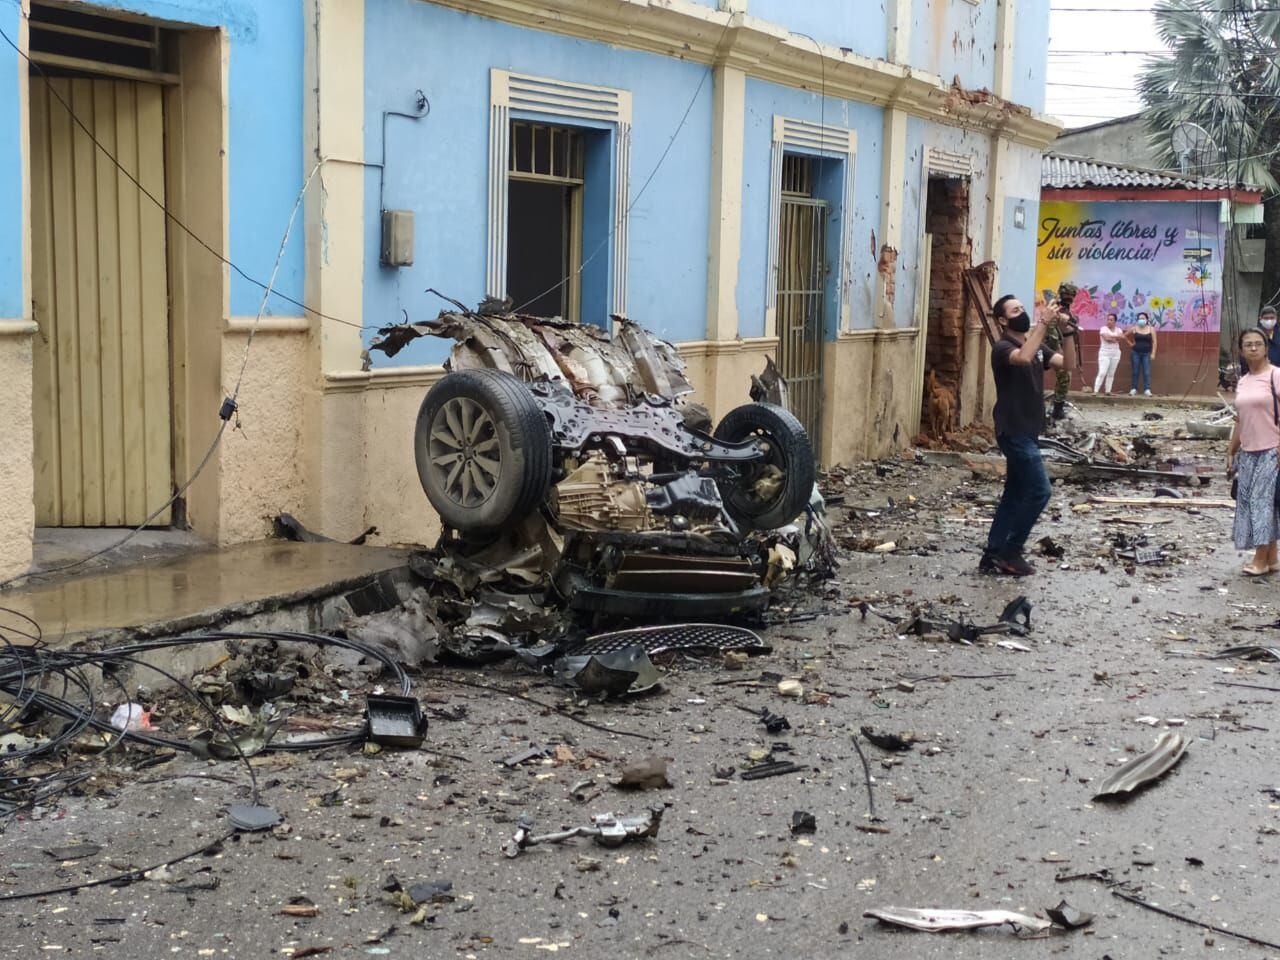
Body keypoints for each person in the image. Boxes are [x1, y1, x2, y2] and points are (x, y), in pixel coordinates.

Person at [980, 294, 1077, 576]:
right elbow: (1022, 358)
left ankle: (993, 554)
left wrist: (1068, 330)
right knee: (1040, 491)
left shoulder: (1037, 346)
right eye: (1015, 310)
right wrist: (1043, 324)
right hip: (1013, 430)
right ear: (1002, 320)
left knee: (1015, 493)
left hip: (1029, 431)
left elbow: (1067, 365)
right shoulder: (1002, 347)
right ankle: (1012, 550)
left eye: (1023, 308)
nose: (1021, 313)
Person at [1227, 327, 1280, 576]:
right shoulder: (1243, 381)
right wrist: (1231, 451)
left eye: (1258, 344)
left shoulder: (1275, 376)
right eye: (1248, 344)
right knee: (1252, 503)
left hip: (1272, 450)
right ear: (1241, 350)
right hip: (1248, 452)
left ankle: (1259, 560)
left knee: (1261, 503)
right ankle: (1271, 557)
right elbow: (1240, 419)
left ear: (1266, 348)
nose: (1253, 348)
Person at [1126, 312, 1156, 396]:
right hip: (1135, 353)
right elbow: (1124, 335)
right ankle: (1133, 389)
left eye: (1143, 318)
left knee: (1146, 372)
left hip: (1147, 353)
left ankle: (1147, 389)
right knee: (1135, 371)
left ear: (1146, 320)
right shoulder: (1134, 328)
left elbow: (1154, 342)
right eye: (1139, 319)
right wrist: (1130, 343)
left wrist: (1153, 353)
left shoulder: (1151, 329)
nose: (1141, 320)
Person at [1093, 313, 1124, 395]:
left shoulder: (1119, 330)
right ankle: (1096, 390)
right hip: (1105, 353)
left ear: (1115, 321)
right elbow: (1107, 338)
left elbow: (1121, 338)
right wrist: (1115, 338)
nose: (1109, 321)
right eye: (1108, 319)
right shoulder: (1103, 329)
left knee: (1111, 373)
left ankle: (1108, 391)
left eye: (1111, 320)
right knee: (1102, 372)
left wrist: (1114, 338)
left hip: (1116, 353)